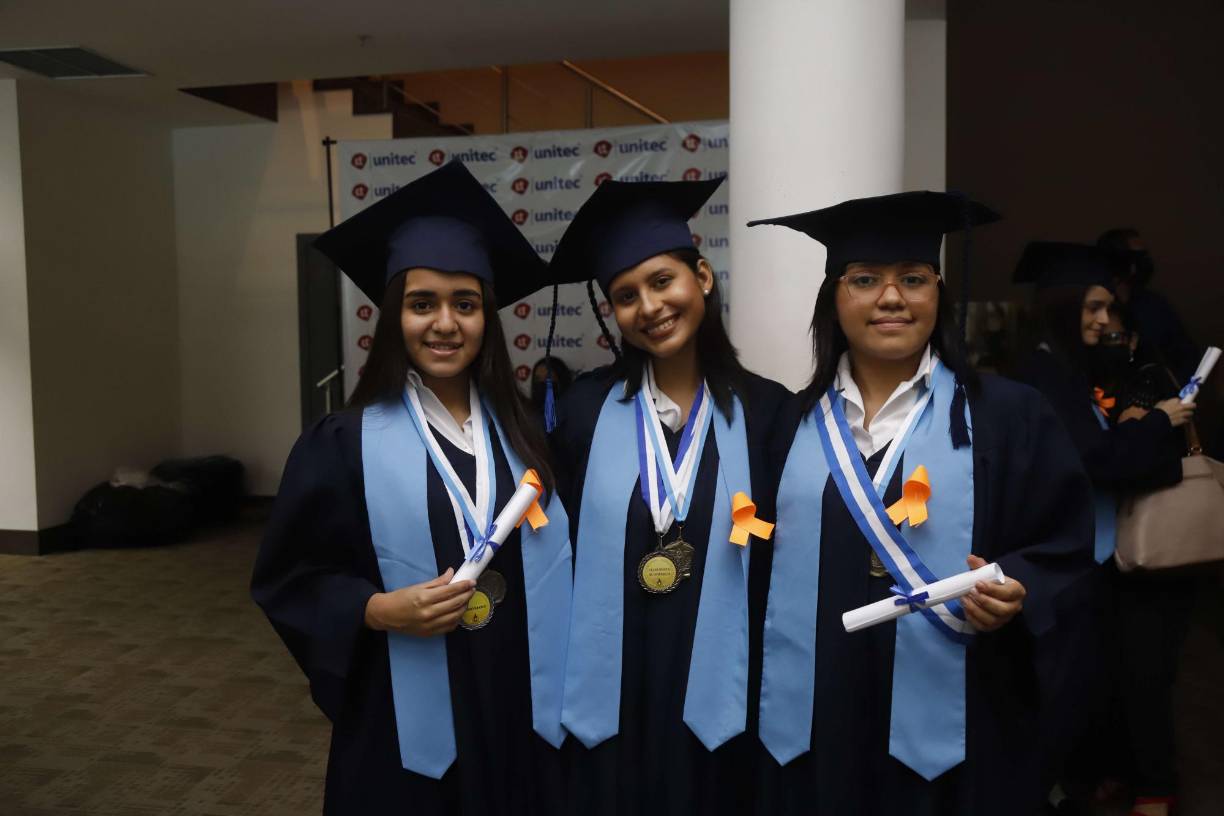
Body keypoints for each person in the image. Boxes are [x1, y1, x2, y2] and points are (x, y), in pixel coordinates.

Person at [747, 193, 1096, 816]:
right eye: (865, 280)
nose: (891, 298)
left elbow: (1064, 546)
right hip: (815, 726)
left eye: (913, 278)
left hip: (960, 733)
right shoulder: (786, 426)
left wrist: (1021, 587)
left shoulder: (1007, 417)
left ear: (938, 292)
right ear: (834, 295)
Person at [251, 162, 572, 815]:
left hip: (520, 700)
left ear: (488, 318)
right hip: (405, 722)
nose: (445, 324)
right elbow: (290, 577)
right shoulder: (344, 443)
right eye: (422, 303)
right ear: (394, 316)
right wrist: (373, 609)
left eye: (465, 304)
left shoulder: (527, 437)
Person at [545, 178, 789, 816]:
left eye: (662, 282)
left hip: (726, 691)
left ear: (702, 276)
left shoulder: (769, 414)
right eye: (625, 297)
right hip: (612, 688)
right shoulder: (584, 412)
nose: (649, 307)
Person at [1013, 242, 1195, 816]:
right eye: (1090, 308)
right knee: (1065, 690)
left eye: (1107, 309)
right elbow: (1098, 461)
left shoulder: (1067, 369)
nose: (1102, 320)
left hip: (1090, 562)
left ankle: (1081, 781)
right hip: (1065, 565)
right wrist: (1159, 423)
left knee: (1098, 685)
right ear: (1062, 307)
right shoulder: (1045, 373)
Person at [1096, 228, 1199, 381]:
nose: (1145, 262)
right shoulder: (1095, 309)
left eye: (1144, 256)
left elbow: (1186, 354)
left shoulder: (1154, 305)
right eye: (1137, 257)